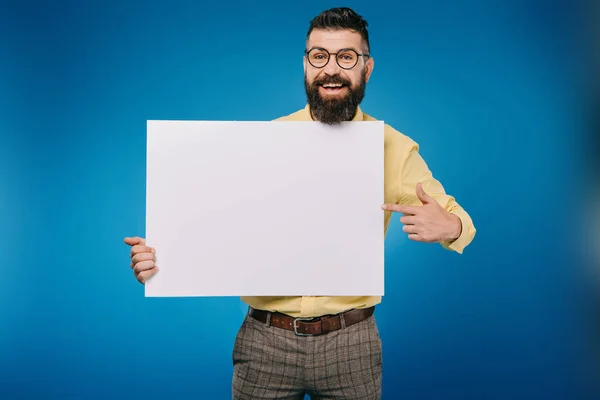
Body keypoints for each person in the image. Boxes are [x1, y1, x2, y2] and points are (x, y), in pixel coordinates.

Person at [125, 7, 476, 400]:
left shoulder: (392, 146)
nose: (331, 69)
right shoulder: (263, 141)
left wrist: (451, 227)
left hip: (351, 345)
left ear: (367, 67)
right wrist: (162, 263)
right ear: (306, 64)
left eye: (346, 57)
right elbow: (217, 229)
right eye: (319, 56)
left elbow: (458, 218)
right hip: (265, 342)